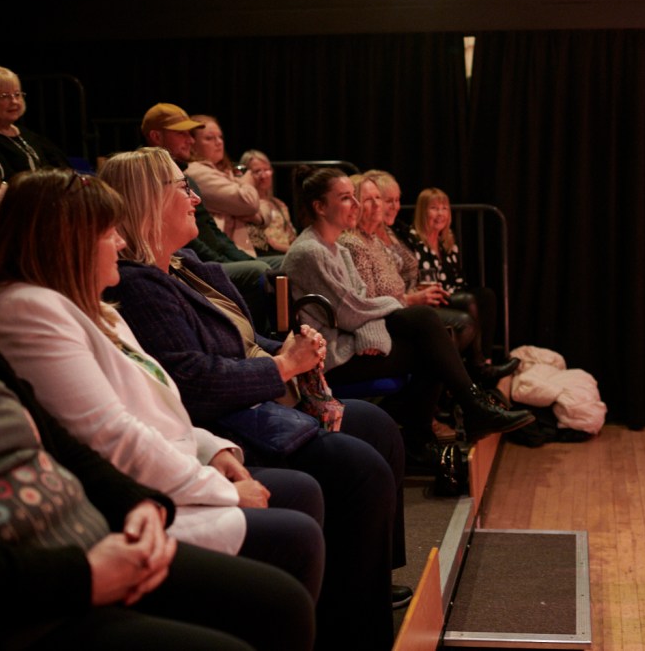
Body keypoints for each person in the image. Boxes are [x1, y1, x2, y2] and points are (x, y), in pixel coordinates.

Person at [0, 169, 330, 645]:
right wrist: (219, 489)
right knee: (292, 549)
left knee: (304, 502)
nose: (121, 242)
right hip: (127, 503)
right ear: (69, 242)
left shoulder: (95, 306)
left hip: (158, 482)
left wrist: (213, 451)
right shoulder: (28, 309)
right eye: (109, 232)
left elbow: (156, 403)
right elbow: (113, 435)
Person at [98, 148, 407, 649]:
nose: (196, 198)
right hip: (230, 421)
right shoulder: (139, 286)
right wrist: (283, 366)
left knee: (378, 427)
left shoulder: (185, 267)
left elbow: (242, 340)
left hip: (257, 401)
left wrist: (291, 348)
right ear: (148, 200)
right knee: (359, 467)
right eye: (183, 188)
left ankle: (366, 584)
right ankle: (349, 626)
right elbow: (193, 382)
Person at [0, 339, 316, 651]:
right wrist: (83, 576)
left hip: (108, 528)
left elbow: (66, 444)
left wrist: (140, 501)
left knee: (285, 598)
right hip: (45, 591)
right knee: (298, 528)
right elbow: (182, 391)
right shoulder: (29, 312)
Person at [281, 166, 535, 454]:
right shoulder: (310, 252)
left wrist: (372, 332)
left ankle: (437, 425)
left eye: (354, 196)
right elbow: (352, 312)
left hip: (351, 340)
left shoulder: (337, 249)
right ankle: (446, 421)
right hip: (331, 356)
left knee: (435, 338)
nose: (356, 204)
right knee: (430, 337)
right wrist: (395, 305)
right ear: (320, 206)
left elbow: (360, 304)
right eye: (346, 198)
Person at [141, 103, 275, 333]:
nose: (190, 140)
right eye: (181, 133)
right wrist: (219, 265)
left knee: (269, 267)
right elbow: (192, 244)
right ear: (156, 136)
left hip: (206, 256)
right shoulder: (150, 177)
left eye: (190, 133)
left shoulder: (188, 175)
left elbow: (215, 233)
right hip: (184, 263)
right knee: (259, 270)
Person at [407, 187, 519, 384]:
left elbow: (459, 278)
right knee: (468, 301)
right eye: (434, 208)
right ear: (423, 211)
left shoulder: (447, 241)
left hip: (453, 293)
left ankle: (486, 359)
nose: (440, 214)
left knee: (486, 296)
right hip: (431, 298)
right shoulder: (412, 241)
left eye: (444, 208)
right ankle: (478, 368)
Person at [187, 116, 280, 267]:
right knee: (290, 262)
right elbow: (250, 203)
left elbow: (263, 210)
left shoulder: (227, 172)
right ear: (192, 142)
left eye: (220, 137)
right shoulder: (197, 172)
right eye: (209, 138)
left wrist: (252, 213)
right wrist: (247, 184)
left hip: (245, 249)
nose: (219, 142)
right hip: (230, 253)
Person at [0, 64, 69, 177]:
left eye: (17, 94)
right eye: (4, 96)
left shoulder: (26, 133)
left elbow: (62, 165)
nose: (14, 101)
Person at [240, 149, 297, 256]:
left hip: (287, 254)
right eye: (257, 171)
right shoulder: (247, 206)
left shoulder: (279, 204)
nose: (263, 176)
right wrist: (292, 251)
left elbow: (291, 237)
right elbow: (265, 243)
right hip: (268, 255)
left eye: (266, 170)